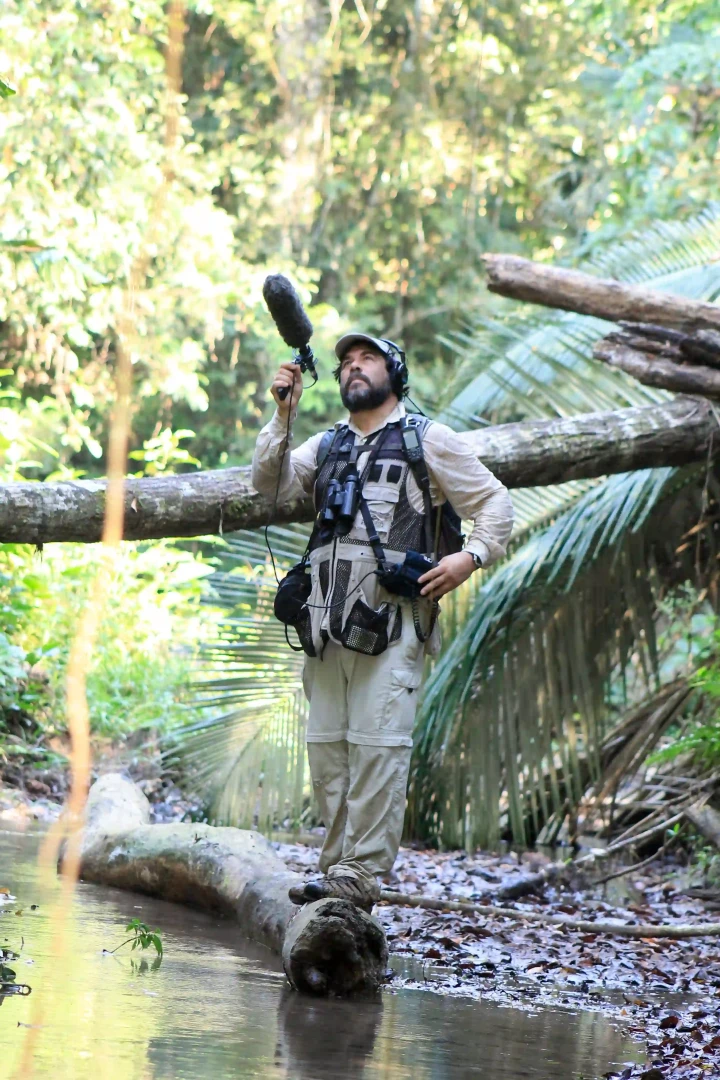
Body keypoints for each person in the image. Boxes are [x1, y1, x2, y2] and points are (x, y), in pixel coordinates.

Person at [251, 333, 513, 911]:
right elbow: (267, 483)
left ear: (394, 371)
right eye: (346, 362)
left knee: (378, 749)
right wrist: (282, 416)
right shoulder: (327, 444)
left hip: (394, 625)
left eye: (367, 358)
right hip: (325, 626)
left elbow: (495, 503)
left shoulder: (428, 439)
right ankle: (335, 873)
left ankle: (359, 877)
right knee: (328, 754)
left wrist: (469, 558)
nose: (354, 367)